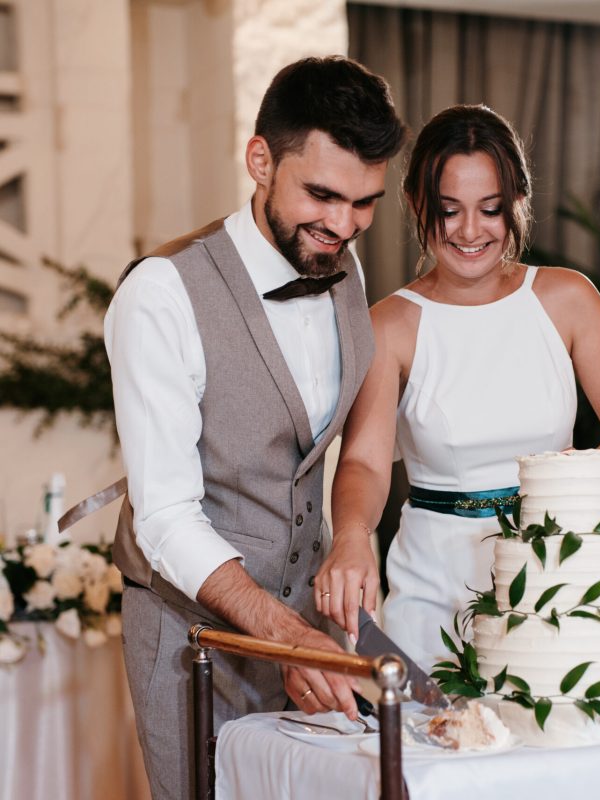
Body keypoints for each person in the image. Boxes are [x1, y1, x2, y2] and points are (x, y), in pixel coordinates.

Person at [103, 56, 406, 800]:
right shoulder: (162, 295)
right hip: (193, 637)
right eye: (323, 195)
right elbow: (166, 518)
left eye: (365, 203)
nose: (342, 224)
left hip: (307, 627)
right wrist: (286, 635)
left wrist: (342, 551)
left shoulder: (343, 264)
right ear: (260, 160)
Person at [314, 104, 600, 673]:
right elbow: (366, 466)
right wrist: (351, 537)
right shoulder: (389, 325)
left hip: (553, 566)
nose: (470, 231)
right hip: (433, 584)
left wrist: (574, 487)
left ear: (517, 203)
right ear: (417, 205)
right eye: (449, 211)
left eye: (490, 209)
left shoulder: (566, 297)